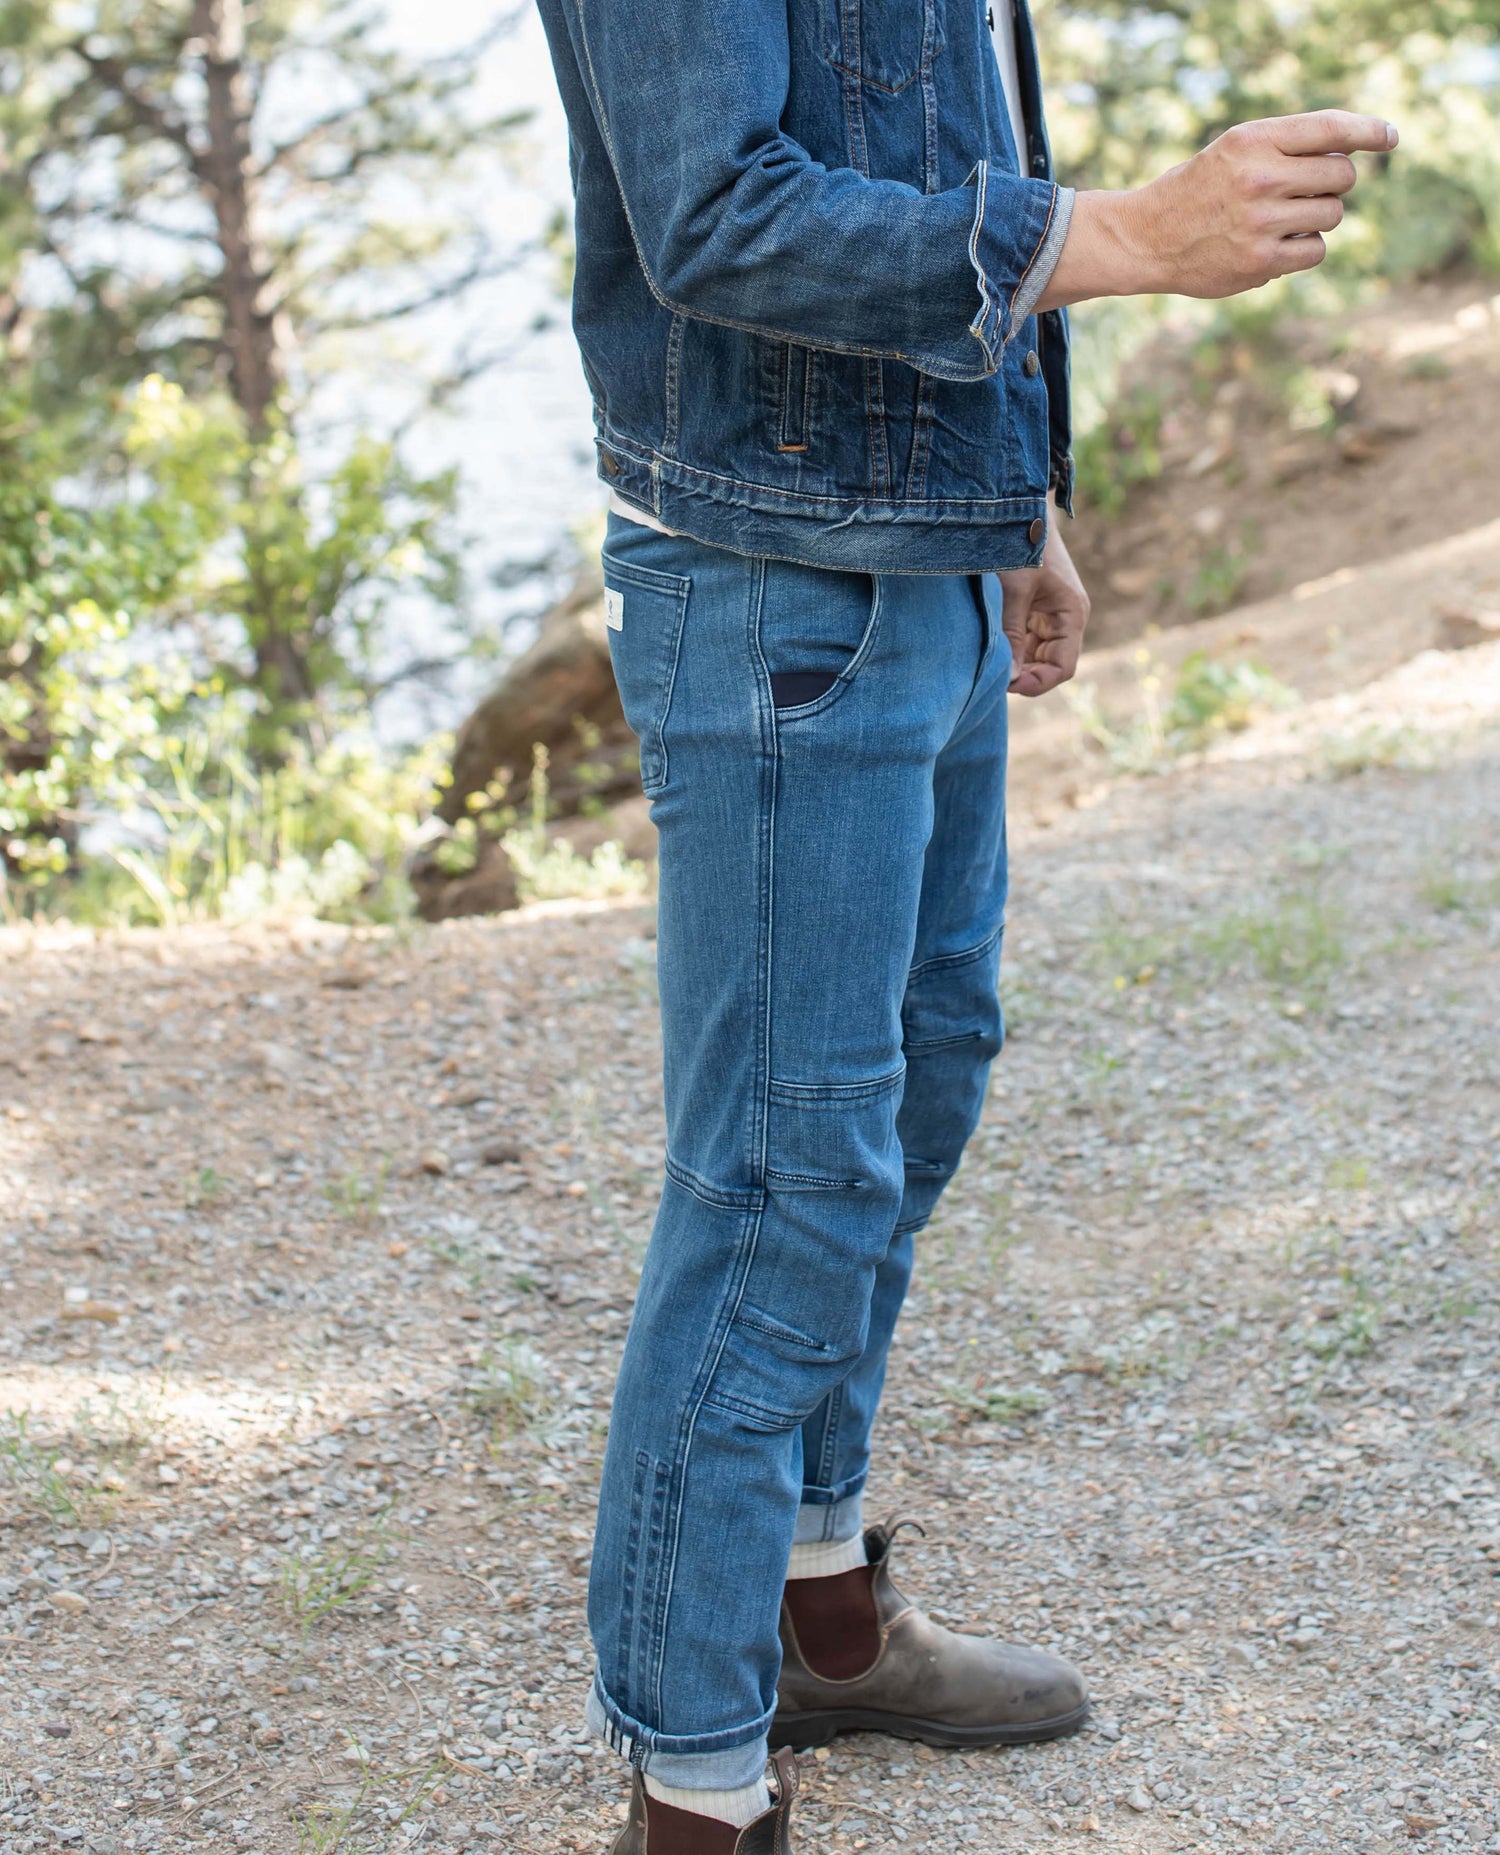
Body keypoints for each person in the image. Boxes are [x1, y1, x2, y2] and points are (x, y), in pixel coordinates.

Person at [534, 0, 1396, 1845]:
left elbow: (941, 134)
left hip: (927, 541)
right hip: (777, 579)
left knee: (917, 1090)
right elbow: (714, 217)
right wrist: (1138, 237)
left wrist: (1016, 501)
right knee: (783, 1178)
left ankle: (823, 1613)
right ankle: (694, 1783)